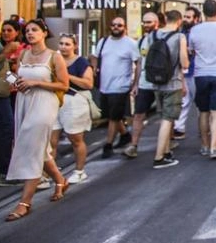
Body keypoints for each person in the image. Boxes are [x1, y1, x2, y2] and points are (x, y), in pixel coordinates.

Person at [5, 19, 71, 221]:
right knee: (39, 148)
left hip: (44, 103)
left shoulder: (54, 56)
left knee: (32, 148)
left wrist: (35, 82)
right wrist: (15, 82)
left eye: (35, 30)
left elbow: (64, 85)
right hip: (25, 101)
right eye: (27, 31)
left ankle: (25, 202)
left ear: (44, 33)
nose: (30, 33)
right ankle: (60, 180)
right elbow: (19, 77)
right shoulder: (23, 54)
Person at [141, 10, 189, 169]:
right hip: (172, 82)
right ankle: (159, 157)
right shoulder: (179, 37)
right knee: (168, 120)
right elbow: (184, 62)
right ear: (179, 21)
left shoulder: (152, 35)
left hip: (155, 82)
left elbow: (146, 56)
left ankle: (167, 151)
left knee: (163, 117)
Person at [188, 0, 216, 159]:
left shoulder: (195, 30)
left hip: (201, 73)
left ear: (203, 12)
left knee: (203, 111)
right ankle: (214, 147)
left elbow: (192, 51)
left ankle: (204, 145)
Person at [50, 33, 94, 183]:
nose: (63, 47)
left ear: (75, 46)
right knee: (51, 140)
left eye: (67, 44)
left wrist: (66, 76)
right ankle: (52, 172)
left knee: (75, 139)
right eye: (61, 43)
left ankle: (80, 170)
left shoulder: (81, 62)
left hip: (74, 102)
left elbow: (88, 84)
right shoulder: (54, 59)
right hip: (54, 100)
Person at [93, 16, 139, 158]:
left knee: (113, 117)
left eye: (119, 25)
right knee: (112, 115)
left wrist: (135, 83)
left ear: (124, 27)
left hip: (120, 86)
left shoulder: (130, 44)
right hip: (104, 85)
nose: (116, 27)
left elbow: (138, 63)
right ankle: (125, 135)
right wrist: (94, 67)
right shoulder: (104, 41)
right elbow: (94, 56)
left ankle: (108, 144)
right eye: (113, 25)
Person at [124, 12, 161, 159]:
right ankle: (133, 145)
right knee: (138, 114)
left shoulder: (162, 38)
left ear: (157, 23)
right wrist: (136, 84)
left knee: (164, 115)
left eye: (150, 22)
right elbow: (139, 63)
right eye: (144, 22)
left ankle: (167, 143)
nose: (147, 25)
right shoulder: (140, 41)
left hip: (161, 82)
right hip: (145, 82)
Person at [0, 13, 20, 186]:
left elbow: (4, 69)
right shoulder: (4, 45)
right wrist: (7, 51)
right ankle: (4, 170)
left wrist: (14, 80)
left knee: (3, 128)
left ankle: (1, 167)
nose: (4, 31)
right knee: (5, 128)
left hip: (3, 90)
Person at [173, 6, 201, 139]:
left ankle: (203, 126)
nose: (185, 19)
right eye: (184, 16)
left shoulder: (199, 32)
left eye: (188, 17)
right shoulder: (180, 32)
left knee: (199, 101)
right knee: (184, 100)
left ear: (196, 19)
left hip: (196, 70)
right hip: (184, 71)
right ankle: (179, 127)